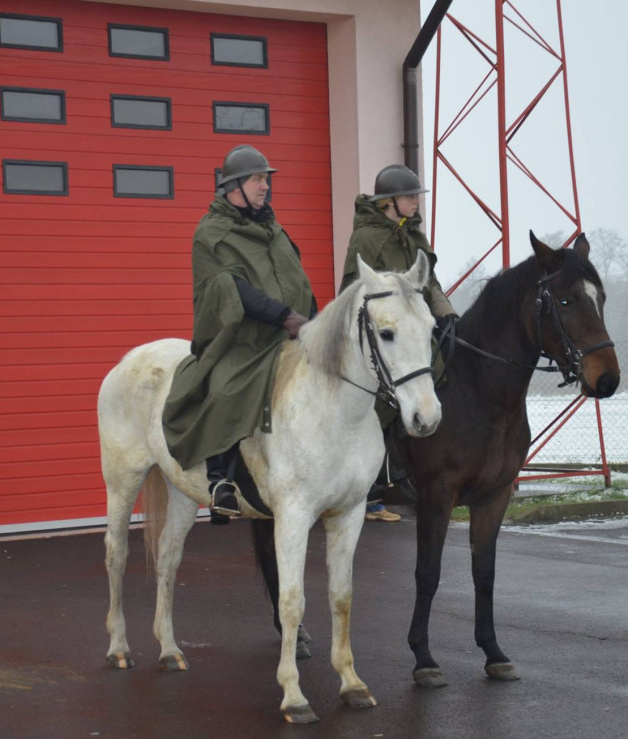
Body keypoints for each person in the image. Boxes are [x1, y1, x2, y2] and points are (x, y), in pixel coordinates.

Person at [162, 144, 317, 521]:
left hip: (286, 334)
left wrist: (314, 322)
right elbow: (232, 290)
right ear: (234, 186)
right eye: (257, 179)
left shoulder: (274, 230)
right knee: (225, 385)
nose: (265, 186)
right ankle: (220, 480)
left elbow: (298, 280)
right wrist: (286, 316)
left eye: (266, 179)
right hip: (240, 340)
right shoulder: (211, 232)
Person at [339, 164, 459, 522]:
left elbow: (430, 284)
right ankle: (368, 493)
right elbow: (352, 290)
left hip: (412, 333)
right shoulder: (366, 238)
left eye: (416, 196)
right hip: (383, 336)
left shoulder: (414, 236)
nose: (415, 202)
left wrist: (447, 313)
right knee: (378, 407)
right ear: (389, 201)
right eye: (409, 196)